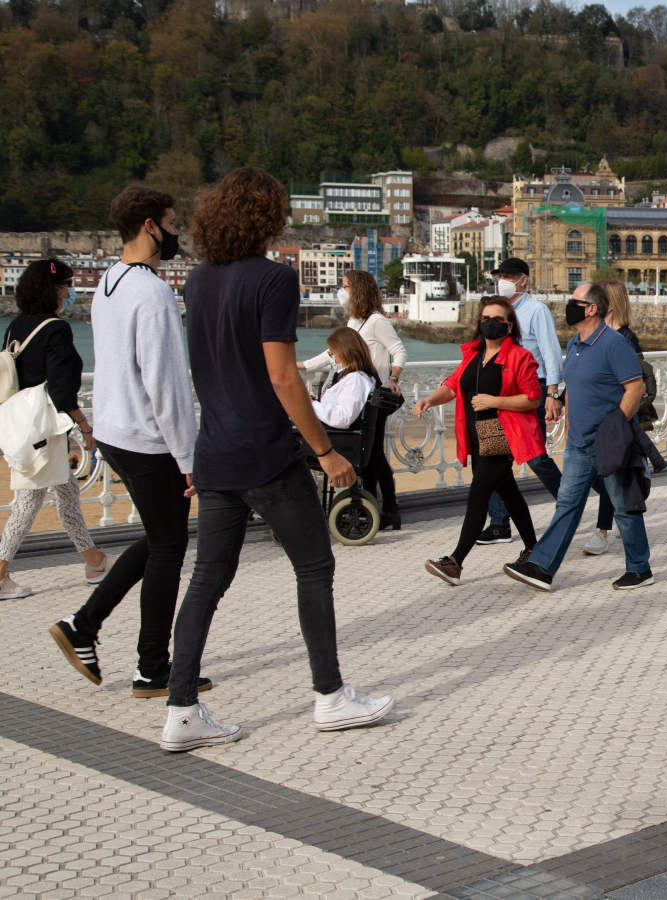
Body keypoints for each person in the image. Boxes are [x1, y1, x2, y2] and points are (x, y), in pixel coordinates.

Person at [160, 167, 393, 752]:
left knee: (206, 580)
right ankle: (331, 696)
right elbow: (285, 377)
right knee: (314, 568)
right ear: (268, 217)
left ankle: (181, 709)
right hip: (265, 451)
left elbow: (207, 370)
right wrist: (325, 453)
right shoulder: (273, 280)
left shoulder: (198, 282)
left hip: (214, 450)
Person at [48, 186, 209, 699]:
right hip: (146, 439)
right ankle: (150, 668)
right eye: (171, 220)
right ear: (149, 226)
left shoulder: (109, 283)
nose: (176, 229)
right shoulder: (153, 293)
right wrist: (189, 458)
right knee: (170, 545)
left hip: (114, 431)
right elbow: (167, 385)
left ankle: (85, 626)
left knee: (162, 538)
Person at [502, 282, 651, 591]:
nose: (568, 305)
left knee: (623, 506)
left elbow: (635, 388)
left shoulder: (615, 344)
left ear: (592, 308)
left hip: (610, 442)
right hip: (578, 444)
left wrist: (615, 427)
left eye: (574, 301)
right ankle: (542, 567)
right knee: (567, 505)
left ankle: (639, 568)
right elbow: (579, 388)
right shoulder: (574, 344)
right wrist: (559, 406)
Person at [1, 259, 113, 601]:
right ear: (53, 290)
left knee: (67, 495)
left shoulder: (16, 327)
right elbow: (62, 391)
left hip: (21, 423)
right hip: (45, 430)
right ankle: (1, 572)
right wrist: (84, 425)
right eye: (66, 284)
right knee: (28, 501)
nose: (69, 290)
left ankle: (94, 561)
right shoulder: (56, 330)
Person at [415, 297, 543, 585]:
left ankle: (455, 562)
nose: (490, 324)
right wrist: (429, 400)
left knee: (479, 494)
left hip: (502, 436)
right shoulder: (473, 354)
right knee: (508, 492)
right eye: (485, 319)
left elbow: (532, 398)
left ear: (509, 326)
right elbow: (451, 386)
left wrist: (494, 401)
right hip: (475, 437)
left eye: (497, 319)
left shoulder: (520, 357)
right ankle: (535, 550)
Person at [301, 269, 405, 529]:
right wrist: (300, 366)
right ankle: (378, 506)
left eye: (345, 286)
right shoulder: (353, 322)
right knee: (370, 455)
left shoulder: (376, 321)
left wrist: (393, 378)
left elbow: (399, 350)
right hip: (360, 395)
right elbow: (331, 355)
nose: (341, 291)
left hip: (373, 396)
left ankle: (387, 508)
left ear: (357, 289)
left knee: (372, 455)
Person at [478, 258, 563, 545]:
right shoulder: (494, 313)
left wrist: (553, 393)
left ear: (523, 280)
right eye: (500, 275)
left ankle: (568, 505)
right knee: (493, 456)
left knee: (536, 457)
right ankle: (499, 524)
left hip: (530, 391)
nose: (503, 279)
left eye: (509, 275)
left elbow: (551, 353)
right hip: (497, 392)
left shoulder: (537, 311)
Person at [584, 279, 647, 556]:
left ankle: (602, 531)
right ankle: (623, 517)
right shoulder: (595, 335)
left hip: (617, 416)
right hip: (596, 414)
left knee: (612, 471)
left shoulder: (625, 338)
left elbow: (632, 383)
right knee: (609, 475)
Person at [310, 327, 376, 428]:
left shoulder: (356, 380)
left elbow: (343, 418)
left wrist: (312, 404)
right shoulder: (355, 377)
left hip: (337, 439)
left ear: (343, 352)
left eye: (332, 352)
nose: (332, 357)